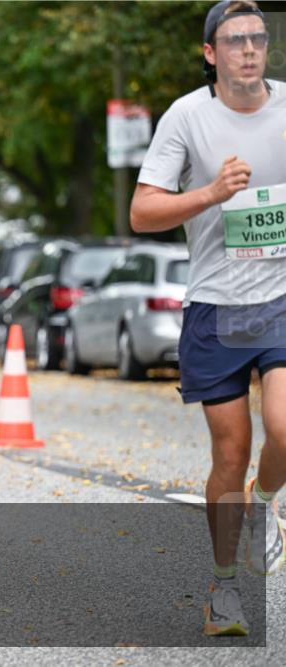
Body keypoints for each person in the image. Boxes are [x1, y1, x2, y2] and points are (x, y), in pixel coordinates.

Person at [130, 0, 285, 637]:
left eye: (258, 38)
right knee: (231, 454)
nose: (249, 49)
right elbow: (143, 213)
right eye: (235, 40)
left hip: (281, 296)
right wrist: (212, 194)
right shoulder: (187, 117)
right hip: (218, 306)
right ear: (210, 53)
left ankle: (268, 504)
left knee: (284, 426)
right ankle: (224, 589)